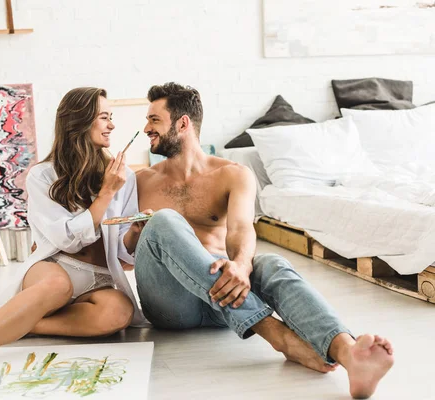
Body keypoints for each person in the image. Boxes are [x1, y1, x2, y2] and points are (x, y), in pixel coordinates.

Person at [134, 82, 394, 399]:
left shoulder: (233, 174)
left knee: (271, 263)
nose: (146, 128)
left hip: (222, 303)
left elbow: (242, 229)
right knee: (163, 221)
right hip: (170, 306)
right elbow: (125, 251)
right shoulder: (140, 181)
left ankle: (349, 354)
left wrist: (242, 266)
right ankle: (278, 335)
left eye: (154, 120)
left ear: (183, 123)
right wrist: (139, 233)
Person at [0, 87, 147, 392]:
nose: (111, 125)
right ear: (79, 121)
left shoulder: (125, 177)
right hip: (56, 266)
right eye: (103, 117)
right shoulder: (43, 175)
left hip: (99, 279)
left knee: (119, 313)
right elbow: (68, 240)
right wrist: (106, 194)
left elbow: (125, 256)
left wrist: (135, 235)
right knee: (58, 286)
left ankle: (22, 320)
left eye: (110, 117)